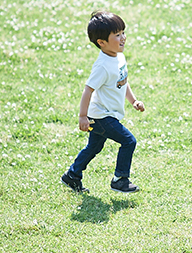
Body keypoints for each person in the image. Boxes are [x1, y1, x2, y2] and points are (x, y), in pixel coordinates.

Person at [61, 11, 145, 194]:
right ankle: (120, 180)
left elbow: (123, 81)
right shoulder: (102, 66)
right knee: (129, 141)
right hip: (100, 116)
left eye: (123, 32)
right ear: (101, 42)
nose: (123, 38)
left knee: (94, 146)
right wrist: (83, 116)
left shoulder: (119, 56)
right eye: (117, 35)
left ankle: (72, 175)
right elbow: (88, 90)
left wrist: (134, 101)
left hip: (106, 114)